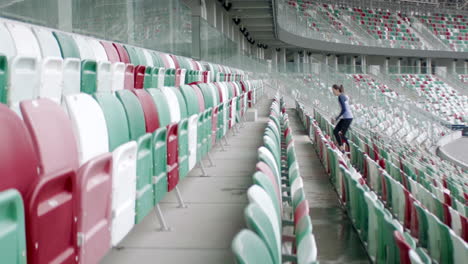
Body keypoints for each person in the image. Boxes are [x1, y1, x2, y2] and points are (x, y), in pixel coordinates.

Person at [332, 84, 353, 153]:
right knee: (335, 131)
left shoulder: (340, 97)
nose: (333, 92)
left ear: (337, 90)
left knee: (341, 134)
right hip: (346, 117)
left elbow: (344, 109)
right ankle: (341, 148)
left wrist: (336, 118)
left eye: (333, 90)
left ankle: (349, 147)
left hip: (348, 118)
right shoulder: (342, 96)